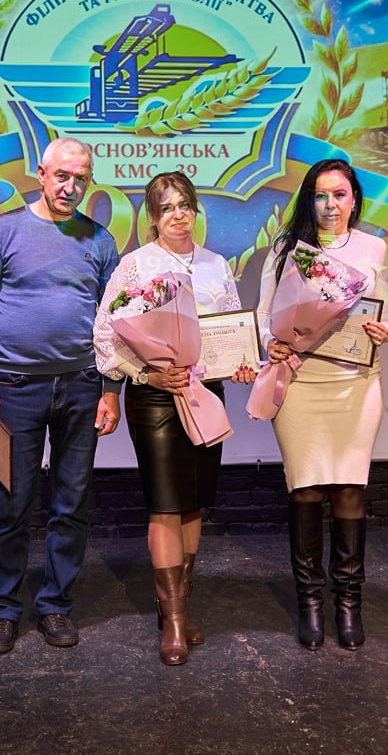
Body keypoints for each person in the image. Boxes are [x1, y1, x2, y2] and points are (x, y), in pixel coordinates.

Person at [0, 137, 122, 654]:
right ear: (41, 173)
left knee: (71, 503)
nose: (71, 187)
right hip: (14, 389)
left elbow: (116, 321)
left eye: (81, 179)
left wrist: (111, 389)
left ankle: (55, 605)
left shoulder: (100, 240)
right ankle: (3, 610)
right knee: (9, 503)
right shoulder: (2, 231)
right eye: (62, 176)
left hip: (82, 387)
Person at [94, 171, 255, 665]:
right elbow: (106, 335)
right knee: (165, 504)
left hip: (205, 395)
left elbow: (230, 329)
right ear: (152, 216)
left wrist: (240, 363)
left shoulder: (215, 265)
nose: (178, 215)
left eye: (184, 205)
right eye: (167, 208)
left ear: (195, 209)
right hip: (156, 398)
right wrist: (146, 375)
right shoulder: (136, 265)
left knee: (193, 505)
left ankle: (178, 606)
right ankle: (175, 623)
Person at [257, 159, 388, 651]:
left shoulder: (374, 248)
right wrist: (271, 342)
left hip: (355, 385)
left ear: (354, 199)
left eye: (339, 195)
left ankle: (348, 603)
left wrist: (387, 328)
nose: (330, 205)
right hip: (300, 383)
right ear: (309, 200)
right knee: (305, 490)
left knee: (349, 490)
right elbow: (265, 315)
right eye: (320, 195)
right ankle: (311, 603)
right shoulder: (286, 249)